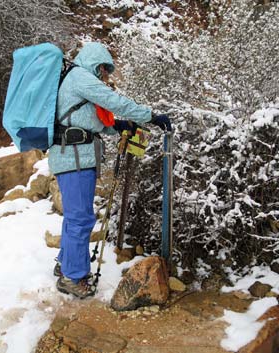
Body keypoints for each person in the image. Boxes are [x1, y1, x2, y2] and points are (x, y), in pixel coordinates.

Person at [50, 42, 171, 299]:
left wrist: (116, 126)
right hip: (74, 158)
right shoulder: (80, 76)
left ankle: (66, 264)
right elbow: (112, 100)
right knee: (81, 218)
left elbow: (85, 120)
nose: (105, 77)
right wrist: (149, 115)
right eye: (105, 70)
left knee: (75, 216)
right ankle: (73, 277)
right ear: (97, 63)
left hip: (75, 156)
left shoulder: (74, 79)